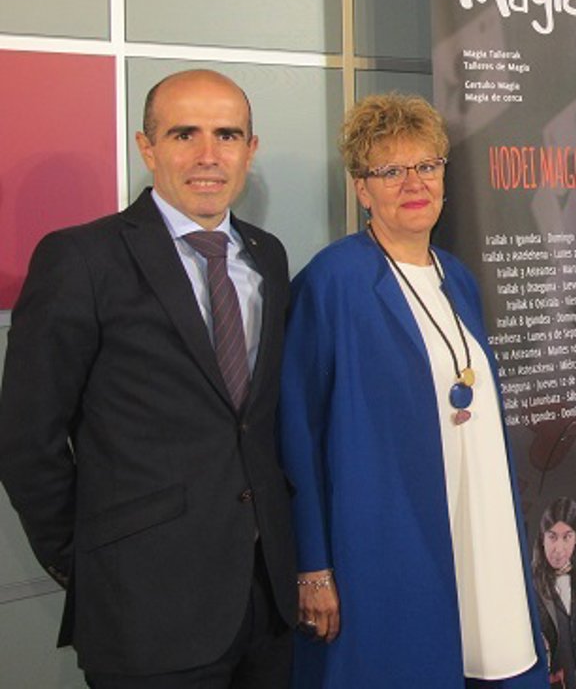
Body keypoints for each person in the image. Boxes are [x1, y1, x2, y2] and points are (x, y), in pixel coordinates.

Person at [0, 70, 296, 687]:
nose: (209, 155)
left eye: (227, 135)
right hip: (143, 611)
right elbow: (27, 441)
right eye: (185, 134)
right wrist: (89, 562)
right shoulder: (81, 258)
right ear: (147, 147)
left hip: (266, 604)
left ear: (250, 149)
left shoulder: (267, 255)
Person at [277, 93, 546, 687]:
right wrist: (313, 566)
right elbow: (298, 432)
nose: (413, 183)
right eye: (390, 170)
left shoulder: (459, 278)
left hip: (479, 521)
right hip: (385, 539)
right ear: (361, 189)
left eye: (426, 165)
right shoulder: (333, 281)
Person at [531, 498, 576, 689]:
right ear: (542, 539)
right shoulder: (532, 586)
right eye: (552, 537)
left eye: (567, 537)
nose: (559, 548)